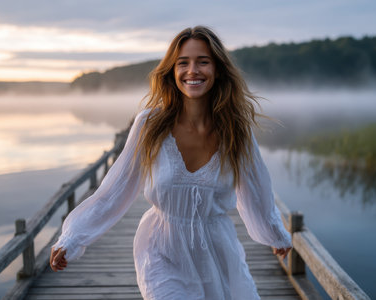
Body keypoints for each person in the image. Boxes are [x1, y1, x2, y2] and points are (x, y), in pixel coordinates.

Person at [50, 25, 292, 299]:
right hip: (161, 251)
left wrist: (275, 234)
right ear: (172, 71)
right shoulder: (149, 125)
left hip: (217, 252)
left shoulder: (236, 131)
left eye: (203, 62)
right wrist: (72, 238)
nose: (193, 71)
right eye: (183, 63)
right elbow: (114, 191)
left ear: (218, 69)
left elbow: (256, 189)